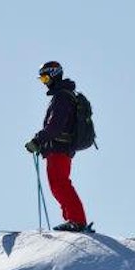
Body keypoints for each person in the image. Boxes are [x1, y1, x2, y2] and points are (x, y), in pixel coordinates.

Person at [25, 60, 90, 232]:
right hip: (61, 148)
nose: (44, 84)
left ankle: (77, 220)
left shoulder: (62, 97)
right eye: (42, 80)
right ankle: (72, 220)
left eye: (45, 79)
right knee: (58, 185)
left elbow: (55, 125)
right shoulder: (64, 95)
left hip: (59, 148)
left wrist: (38, 140)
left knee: (60, 184)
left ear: (54, 75)